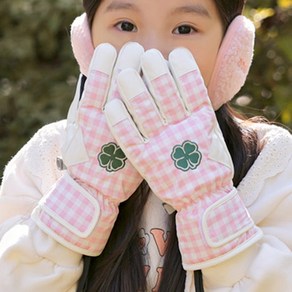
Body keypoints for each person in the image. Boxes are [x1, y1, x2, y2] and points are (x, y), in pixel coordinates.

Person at [0, 0, 292, 291]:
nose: (151, 53)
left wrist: (206, 200)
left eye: (184, 28)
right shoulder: (50, 155)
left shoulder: (269, 160)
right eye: (125, 26)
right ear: (86, 43)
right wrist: (86, 190)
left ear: (230, 49)